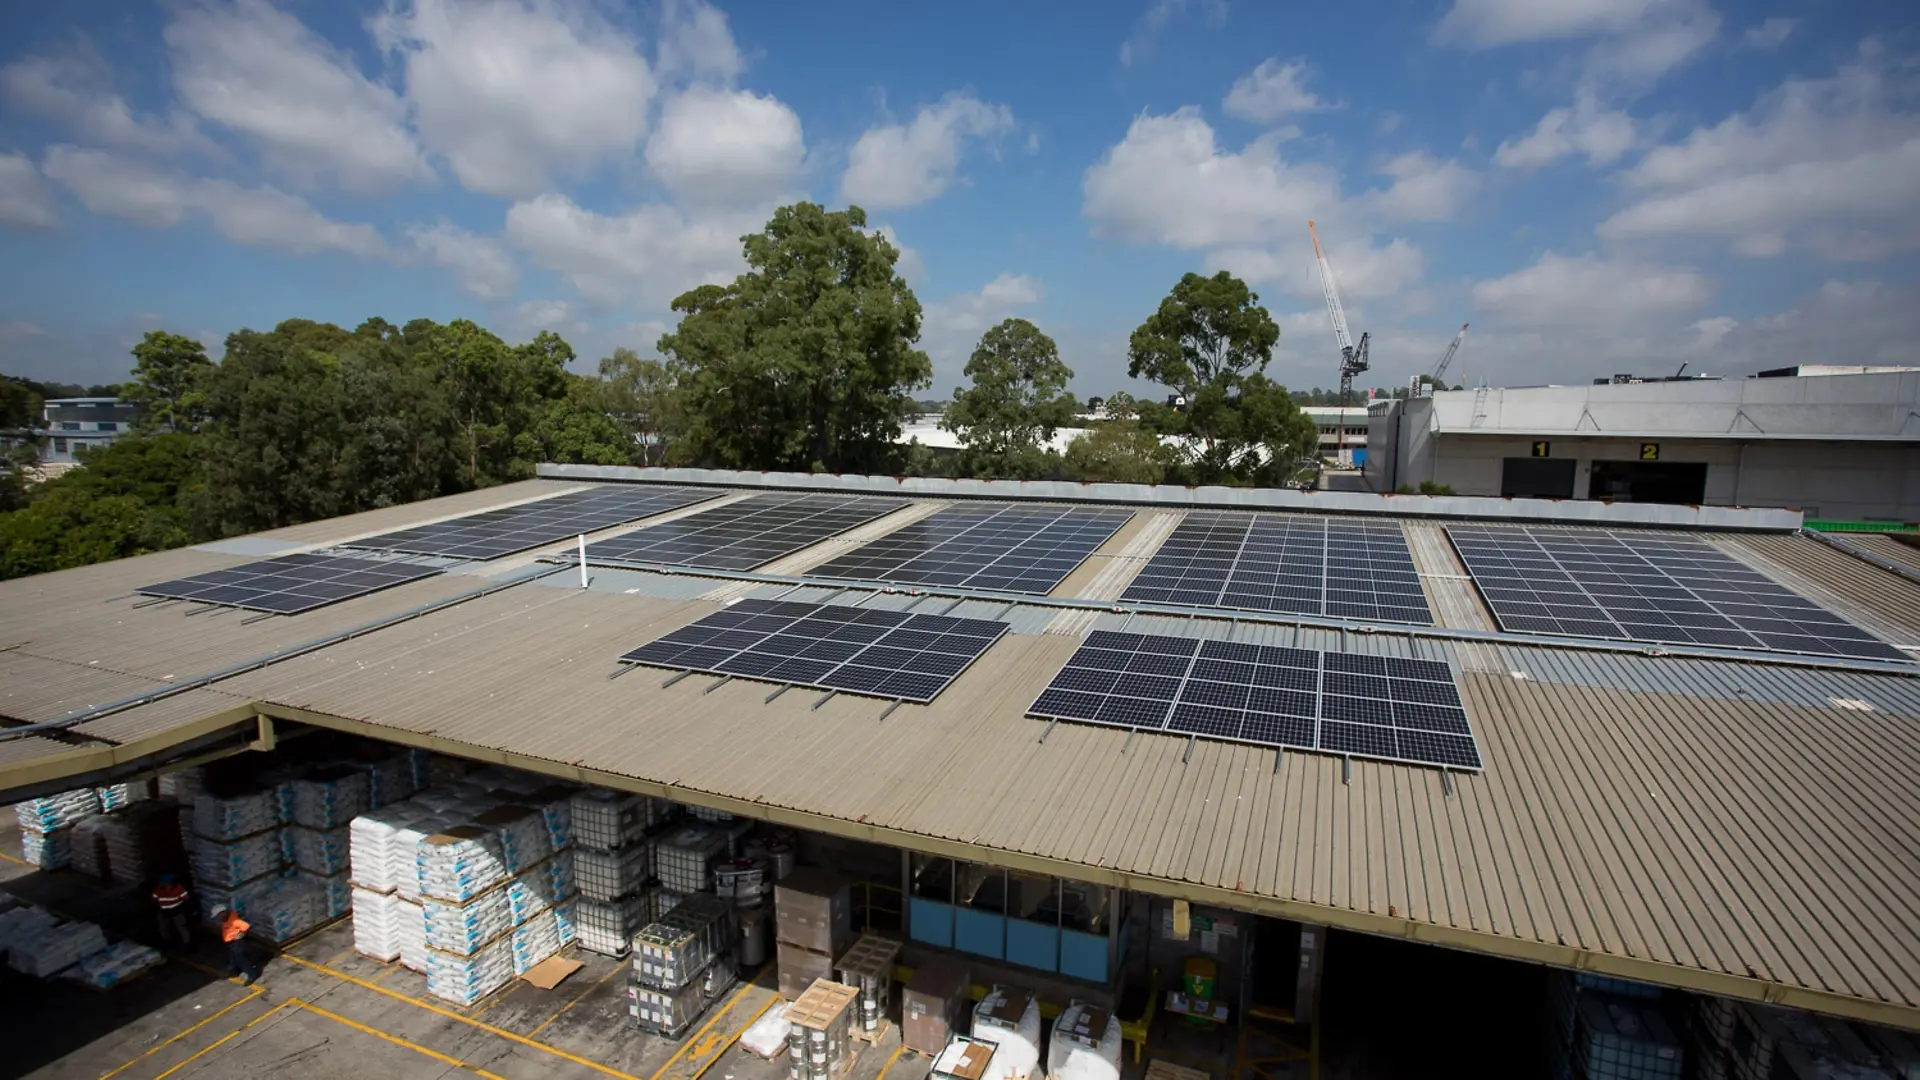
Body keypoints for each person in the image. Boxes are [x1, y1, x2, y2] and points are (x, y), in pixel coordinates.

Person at [216, 908, 261, 985]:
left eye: (219, 915)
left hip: (237, 942)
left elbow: (246, 926)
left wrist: (241, 934)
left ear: (223, 913)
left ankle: (252, 974)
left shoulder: (234, 920)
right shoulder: (225, 920)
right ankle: (233, 971)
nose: (218, 918)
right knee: (232, 958)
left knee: (241, 959)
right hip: (231, 943)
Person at [151, 873, 191, 948]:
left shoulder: (178, 888)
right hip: (165, 912)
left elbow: (186, 898)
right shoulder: (158, 890)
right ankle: (168, 942)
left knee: (181, 927)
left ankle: (186, 944)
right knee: (164, 928)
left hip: (175, 912)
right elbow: (154, 899)